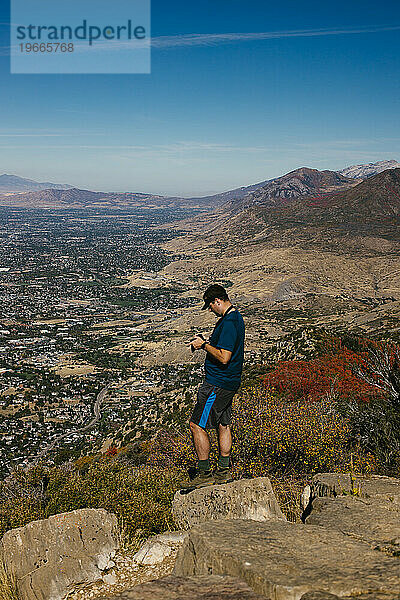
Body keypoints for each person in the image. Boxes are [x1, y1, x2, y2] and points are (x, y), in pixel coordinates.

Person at [184, 283, 245, 489]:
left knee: (196, 425)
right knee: (223, 424)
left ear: (217, 301)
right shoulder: (236, 318)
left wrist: (203, 345)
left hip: (217, 384)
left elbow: (224, 357)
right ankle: (224, 470)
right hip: (229, 383)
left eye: (210, 306)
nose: (210, 310)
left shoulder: (228, 322)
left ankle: (204, 473)